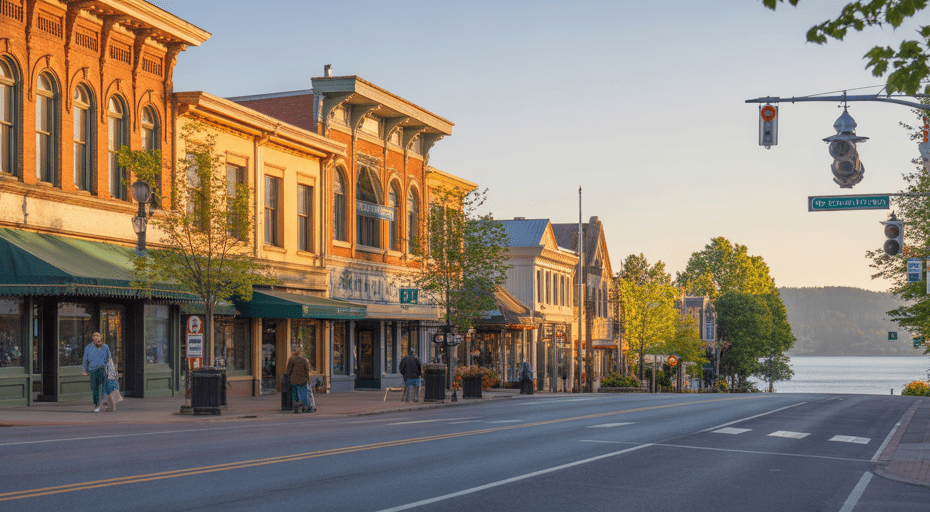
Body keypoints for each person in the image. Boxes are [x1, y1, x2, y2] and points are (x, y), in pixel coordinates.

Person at [81, 332, 111, 413]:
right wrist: (84, 370)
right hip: (93, 370)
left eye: (97, 335)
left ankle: (105, 403)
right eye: (94, 335)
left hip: (103, 370)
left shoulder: (105, 347)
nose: (95, 337)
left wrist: (110, 369)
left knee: (105, 387)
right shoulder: (88, 348)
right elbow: (85, 360)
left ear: (100, 337)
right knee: (95, 388)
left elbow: (109, 358)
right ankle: (97, 404)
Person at [285, 348, 314, 413]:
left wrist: (287, 376)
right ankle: (305, 406)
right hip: (302, 379)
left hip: (293, 380)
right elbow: (307, 370)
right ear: (300, 353)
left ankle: (296, 406)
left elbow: (288, 370)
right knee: (303, 393)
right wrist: (308, 379)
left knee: (295, 393)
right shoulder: (304, 360)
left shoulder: (291, 359)